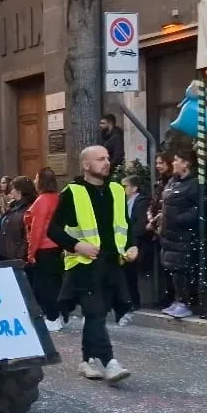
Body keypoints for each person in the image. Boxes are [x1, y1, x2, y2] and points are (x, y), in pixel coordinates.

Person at [47, 146, 136, 383]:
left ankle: (87, 361)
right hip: (83, 265)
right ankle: (109, 362)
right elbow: (53, 230)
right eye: (100, 159)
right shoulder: (72, 193)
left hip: (111, 263)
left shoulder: (117, 190)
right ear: (86, 165)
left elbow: (126, 224)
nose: (107, 162)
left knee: (97, 314)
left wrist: (132, 246)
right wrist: (77, 246)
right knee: (95, 312)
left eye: (108, 157)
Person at [158, 149, 201, 319]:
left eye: (176, 159)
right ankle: (177, 299)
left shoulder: (195, 184)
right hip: (169, 234)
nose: (173, 163)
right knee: (172, 269)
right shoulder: (172, 181)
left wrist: (180, 219)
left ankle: (185, 301)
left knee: (181, 269)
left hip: (183, 235)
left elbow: (198, 208)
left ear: (186, 163)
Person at [25, 168, 64, 331]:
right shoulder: (57, 198)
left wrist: (31, 252)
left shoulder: (42, 200)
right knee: (54, 283)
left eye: (36, 178)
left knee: (44, 286)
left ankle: (52, 317)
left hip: (44, 247)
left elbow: (37, 229)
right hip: (57, 246)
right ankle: (57, 316)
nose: (34, 181)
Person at [117, 174, 150, 325]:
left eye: (125, 186)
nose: (122, 189)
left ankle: (134, 302)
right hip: (123, 243)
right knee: (125, 274)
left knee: (130, 274)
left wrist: (132, 243)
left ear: (134, 188)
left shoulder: (140, 201)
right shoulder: (123, 202)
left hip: (135, 244)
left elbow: (139, 224)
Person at [0, 177, 35, 263]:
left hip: (15, 258)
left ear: (19, 191)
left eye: (12, 188)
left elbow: (27, 235)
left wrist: (20, 255)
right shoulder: (14, 207)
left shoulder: (29, 208)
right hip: (4, 254)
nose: (10, 191)